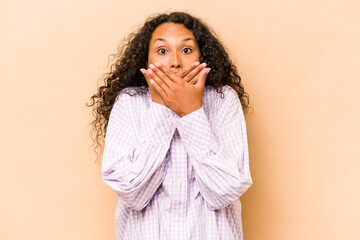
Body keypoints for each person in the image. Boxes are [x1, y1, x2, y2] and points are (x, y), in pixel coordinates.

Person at [88, 11, 253, 240]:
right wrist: (161, 109)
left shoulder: (223, 100)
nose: (175, 62)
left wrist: (191, 112)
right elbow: (132, 192)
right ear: (146, 61)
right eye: (162, 51)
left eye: (186, 50)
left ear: (201, 57)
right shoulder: (129, 103)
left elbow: (225, 191)